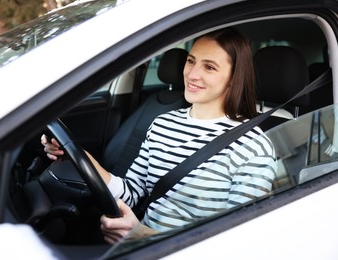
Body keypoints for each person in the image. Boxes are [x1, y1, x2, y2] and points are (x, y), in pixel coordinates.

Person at [41, 27, 277, 244]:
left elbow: (239, 242)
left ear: (234, 78)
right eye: (191, 61)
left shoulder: (253, 146)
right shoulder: (162, 124)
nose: (192, 74)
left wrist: (144, 236)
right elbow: (131, 193)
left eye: (209, 67)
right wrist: (78, 156)